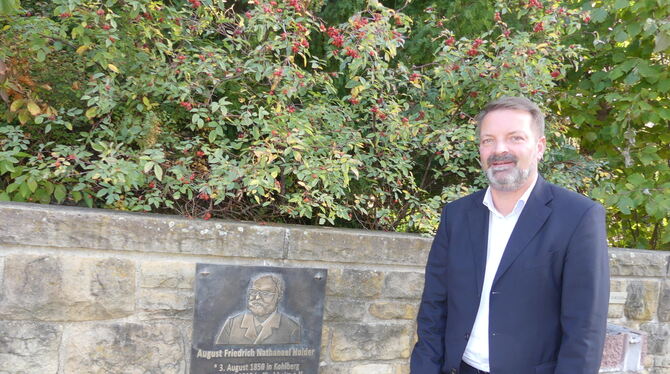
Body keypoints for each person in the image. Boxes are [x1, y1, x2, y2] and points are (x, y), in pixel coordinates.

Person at [410, 96, 609, 374]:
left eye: (515, 138)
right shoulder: (456, 215)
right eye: (488, 140)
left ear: (539, 147)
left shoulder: (578, 217)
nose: (498, 150)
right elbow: (434, 309)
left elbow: (584, 331)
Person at [216, 273, 301, 345]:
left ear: (279, 296)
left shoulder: (292, 328)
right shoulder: (232, 323)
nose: (257, 297)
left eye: (265, 293)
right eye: (253, 292)